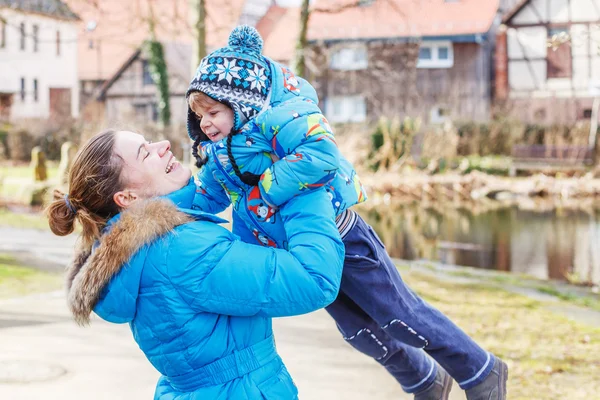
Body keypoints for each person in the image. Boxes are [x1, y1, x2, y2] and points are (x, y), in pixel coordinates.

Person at [186, 25, 508, 400]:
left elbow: (321, 156)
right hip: (305, 253)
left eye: (213, 112)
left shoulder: (280, 120)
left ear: (242, 104)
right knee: (359, 331)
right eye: (199, 114)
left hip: (342, 235)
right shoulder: (219, 153)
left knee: (400, 316)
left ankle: (480, 370)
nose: (205, 122)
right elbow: (204, 196)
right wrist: (158, 209)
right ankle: (425, 381)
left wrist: (265, 193)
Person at [45, 129, 345, 400]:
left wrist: (230, 177)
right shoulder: (179, 248)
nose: (162, 145)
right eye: (144, 152)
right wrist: (305, 184)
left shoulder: (132, 247)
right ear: (127, 197)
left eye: (149, 142)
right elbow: (314, 279)